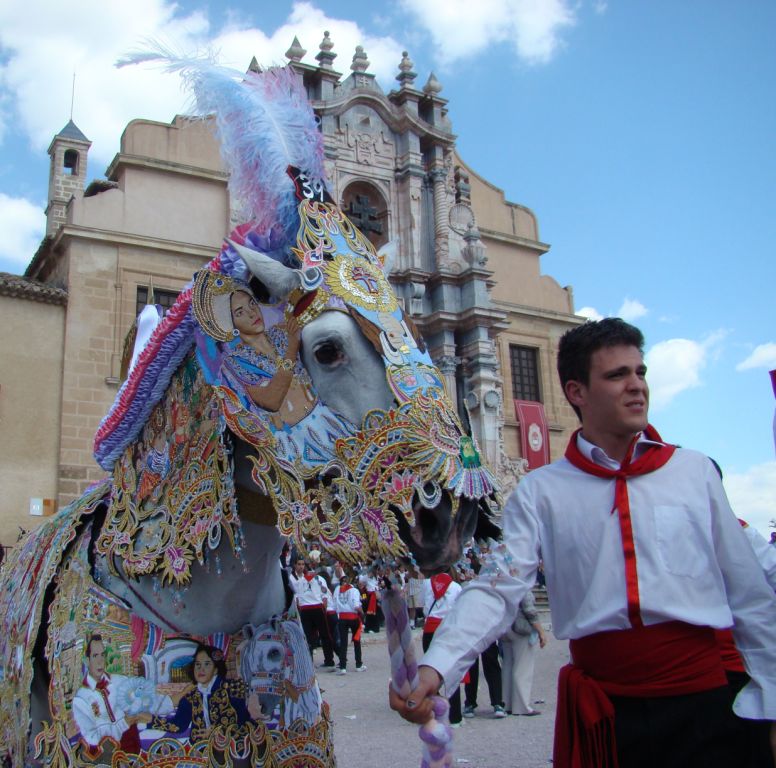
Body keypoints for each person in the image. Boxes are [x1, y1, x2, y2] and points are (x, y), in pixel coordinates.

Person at [390, 318, 776, 768]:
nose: (637, 386)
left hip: (705, 707)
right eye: (617, 375)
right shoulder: (540, 490)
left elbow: (750, 598)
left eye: (641, 372)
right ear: (576, 392)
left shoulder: (694, 472)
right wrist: (439, 666)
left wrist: (770, 702)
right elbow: (499, 586)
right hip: (608, 714)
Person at [72, 634, 173, 755]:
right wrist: (124, 723)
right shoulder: (81, 698)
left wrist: (174, 701)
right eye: (95, 656)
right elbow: (92, 737)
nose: (100, 661)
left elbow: (151, 700)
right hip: (105, 758)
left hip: (132, 753)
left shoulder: (121, 681)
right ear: (87, 660)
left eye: (102, 655)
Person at [150, 643, 260, 742]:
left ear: (216, 669)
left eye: (207, 664)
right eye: (198, 664)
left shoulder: (232, 688)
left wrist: (219, 733)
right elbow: (179, 725)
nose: (201, 669)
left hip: (231, 751)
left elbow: (245, 724)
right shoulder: (190, 695)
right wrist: (150, 720)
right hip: (200, 751)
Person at [421, 572, 463, 727]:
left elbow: (423, 606)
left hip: (430, 628)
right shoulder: (456, 586)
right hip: (447, 628)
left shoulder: (426, 583)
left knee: (431, 671)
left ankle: (434, 710)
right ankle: (455, 716)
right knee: (451, 672)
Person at [500, 589, 547, 716]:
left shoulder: (502, 582)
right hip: (520, 628)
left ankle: (505, 703)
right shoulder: (521, 585)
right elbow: (529, 610)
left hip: (505, 627)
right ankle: (521, 706)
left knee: (507, 666)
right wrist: (541, 631)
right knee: (523, 667)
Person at [288, 558, 336, 668]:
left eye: (303, 565)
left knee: (322, 634)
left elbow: (324, 596)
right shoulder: (301, 581)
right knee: (311, 636)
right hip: (309, 609)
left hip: (313, 608)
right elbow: (297, 598)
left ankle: (328, 660)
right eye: (299, 564)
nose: (302, 567)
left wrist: (323, 608)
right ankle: (314, 661)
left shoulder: (318, 579)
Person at [332, 569, 366, 674]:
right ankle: (358, 664)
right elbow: (356, 605)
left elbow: (334, 603)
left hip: (342, 617)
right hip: (353, 617)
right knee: (356, 641)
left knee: (343, 642)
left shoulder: (337, 589)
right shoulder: (354, 590)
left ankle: (343, 667)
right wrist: (362, 613)